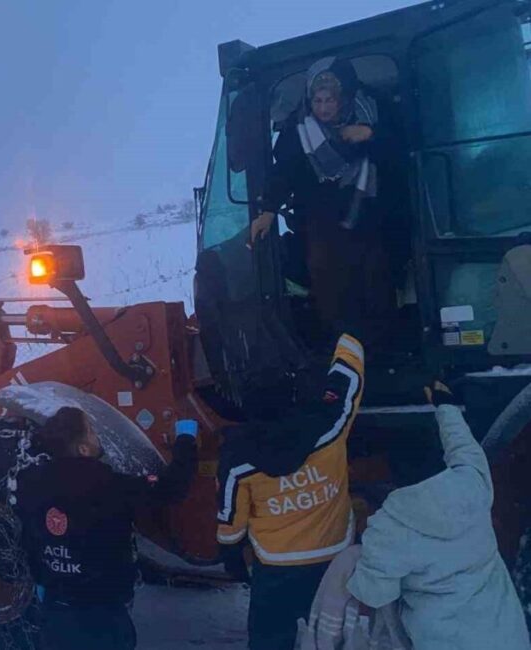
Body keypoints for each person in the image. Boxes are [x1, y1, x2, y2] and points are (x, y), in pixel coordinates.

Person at [346, 381, 531, 650]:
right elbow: (463, 447)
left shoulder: (388, 527)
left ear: (393, 477)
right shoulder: (472, 484)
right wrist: (445, 406)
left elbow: (372, 593)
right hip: (503, 636)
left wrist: (349, 559)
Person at [216, 334, 365, 650]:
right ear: (293, 396)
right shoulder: (330, 426)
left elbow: (231, 518)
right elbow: (349, 380)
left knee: (270, 638)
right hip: (333, 558)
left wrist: (231, 555)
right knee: (332, 633)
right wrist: (346, 339)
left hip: (276, 567)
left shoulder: (237, 456)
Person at [14, 406, 198, 650]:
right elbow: (171, 487)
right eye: (91, 431)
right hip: (102, 615)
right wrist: (186, 437)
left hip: (55, 611)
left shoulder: (29, 483)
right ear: (83, 448)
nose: (97, 436)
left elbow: (29, 538)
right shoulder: (111, 486)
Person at [250, 57, 395, 343]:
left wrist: (371, 135)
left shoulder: (372, 115)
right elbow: (283, 173)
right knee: (331, 288)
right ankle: (343, 350)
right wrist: (267, 210)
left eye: (330, 99)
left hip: (368, 218)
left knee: (376, 282)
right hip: (322, 225)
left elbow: (400, 151)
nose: (324, 107)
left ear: (343, 98)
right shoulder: (297, 132)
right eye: (317, 100)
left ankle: (382, 347)